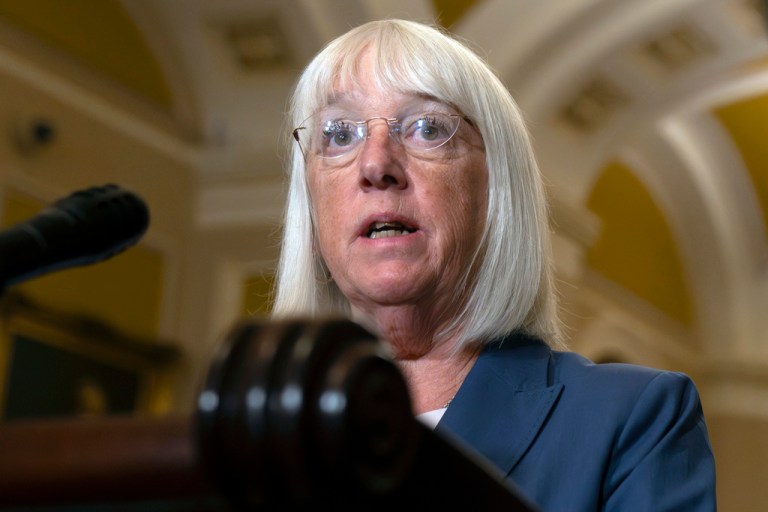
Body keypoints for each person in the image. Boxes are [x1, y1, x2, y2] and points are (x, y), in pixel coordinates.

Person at [271, 18, 716, 511]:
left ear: (496, 191)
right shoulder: (263, 441)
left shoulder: (634, 420)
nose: (376, 164)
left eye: (427, 128)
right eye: (339, 134)